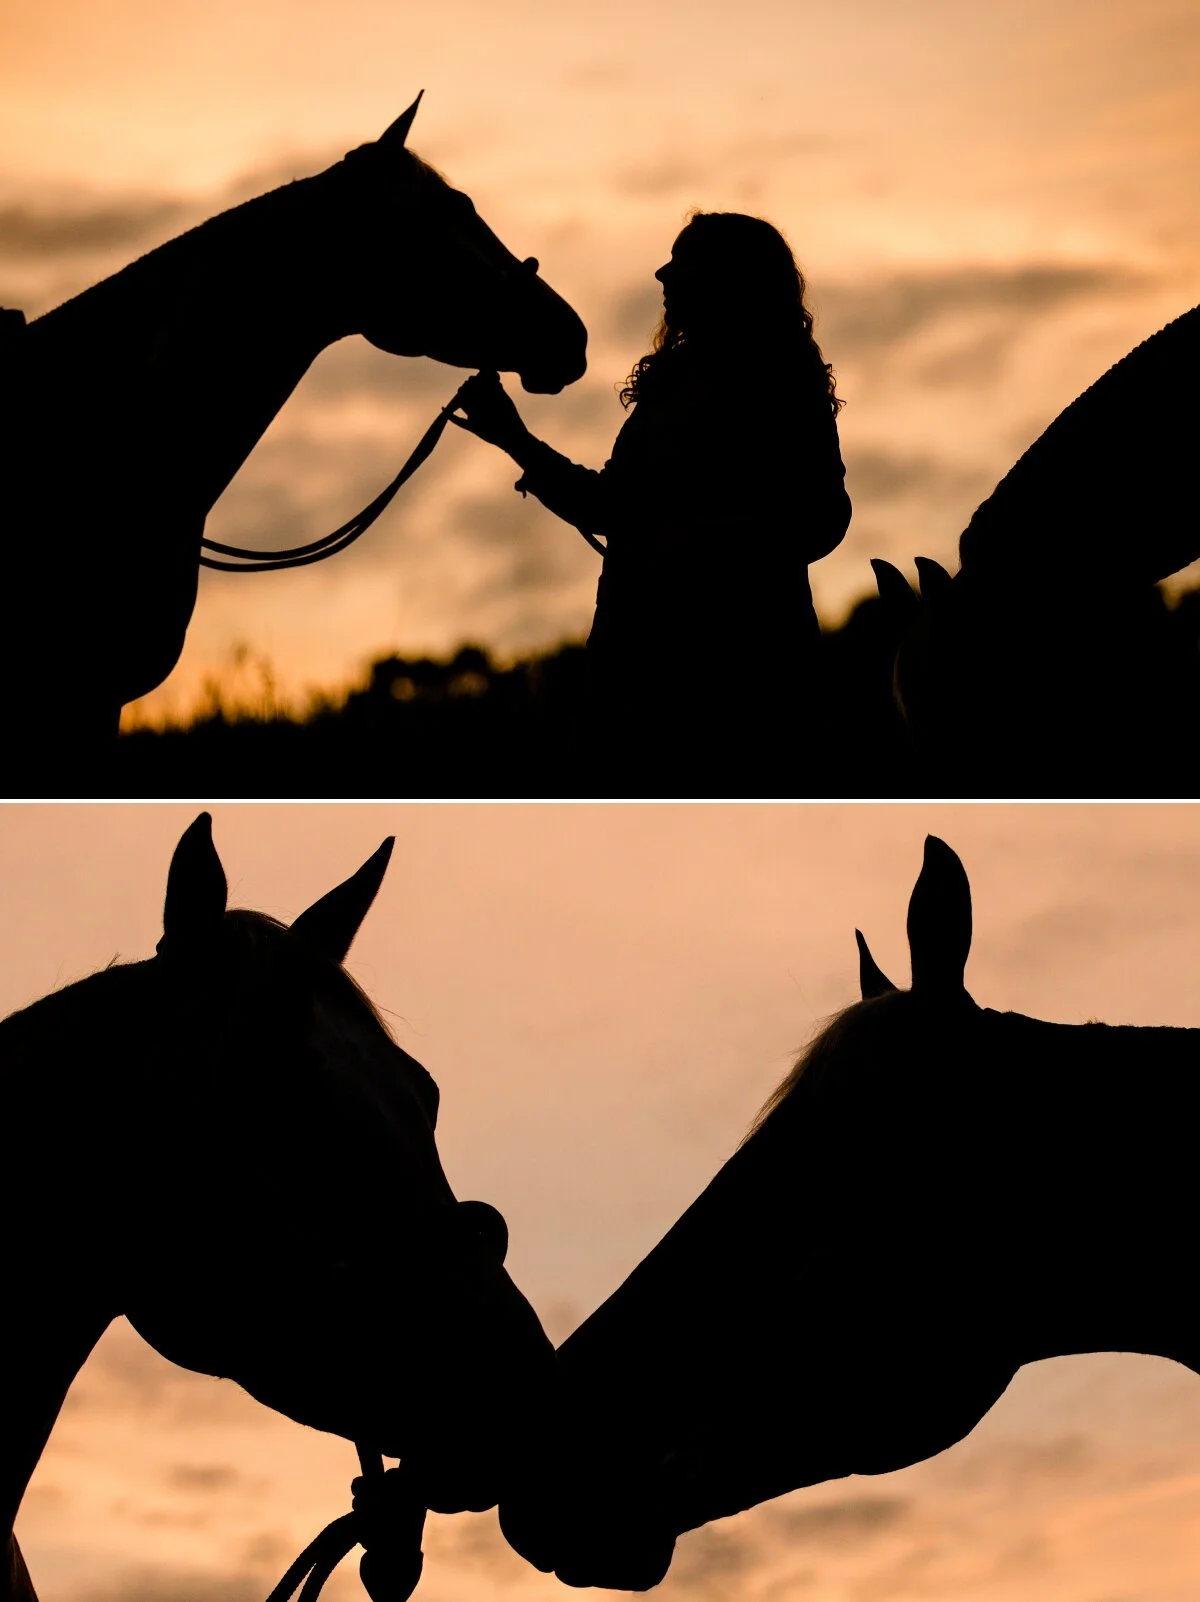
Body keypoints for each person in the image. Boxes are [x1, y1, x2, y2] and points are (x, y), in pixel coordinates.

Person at [449, 210, 851, 793]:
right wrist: (514, 439)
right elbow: (617, 508)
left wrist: (701, 544)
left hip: (737, 684)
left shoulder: (778, 382)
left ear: (726, 278)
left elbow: (823, 516)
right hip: (636, 673)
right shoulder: (678, 382)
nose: (663, 274)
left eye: (683, 260)